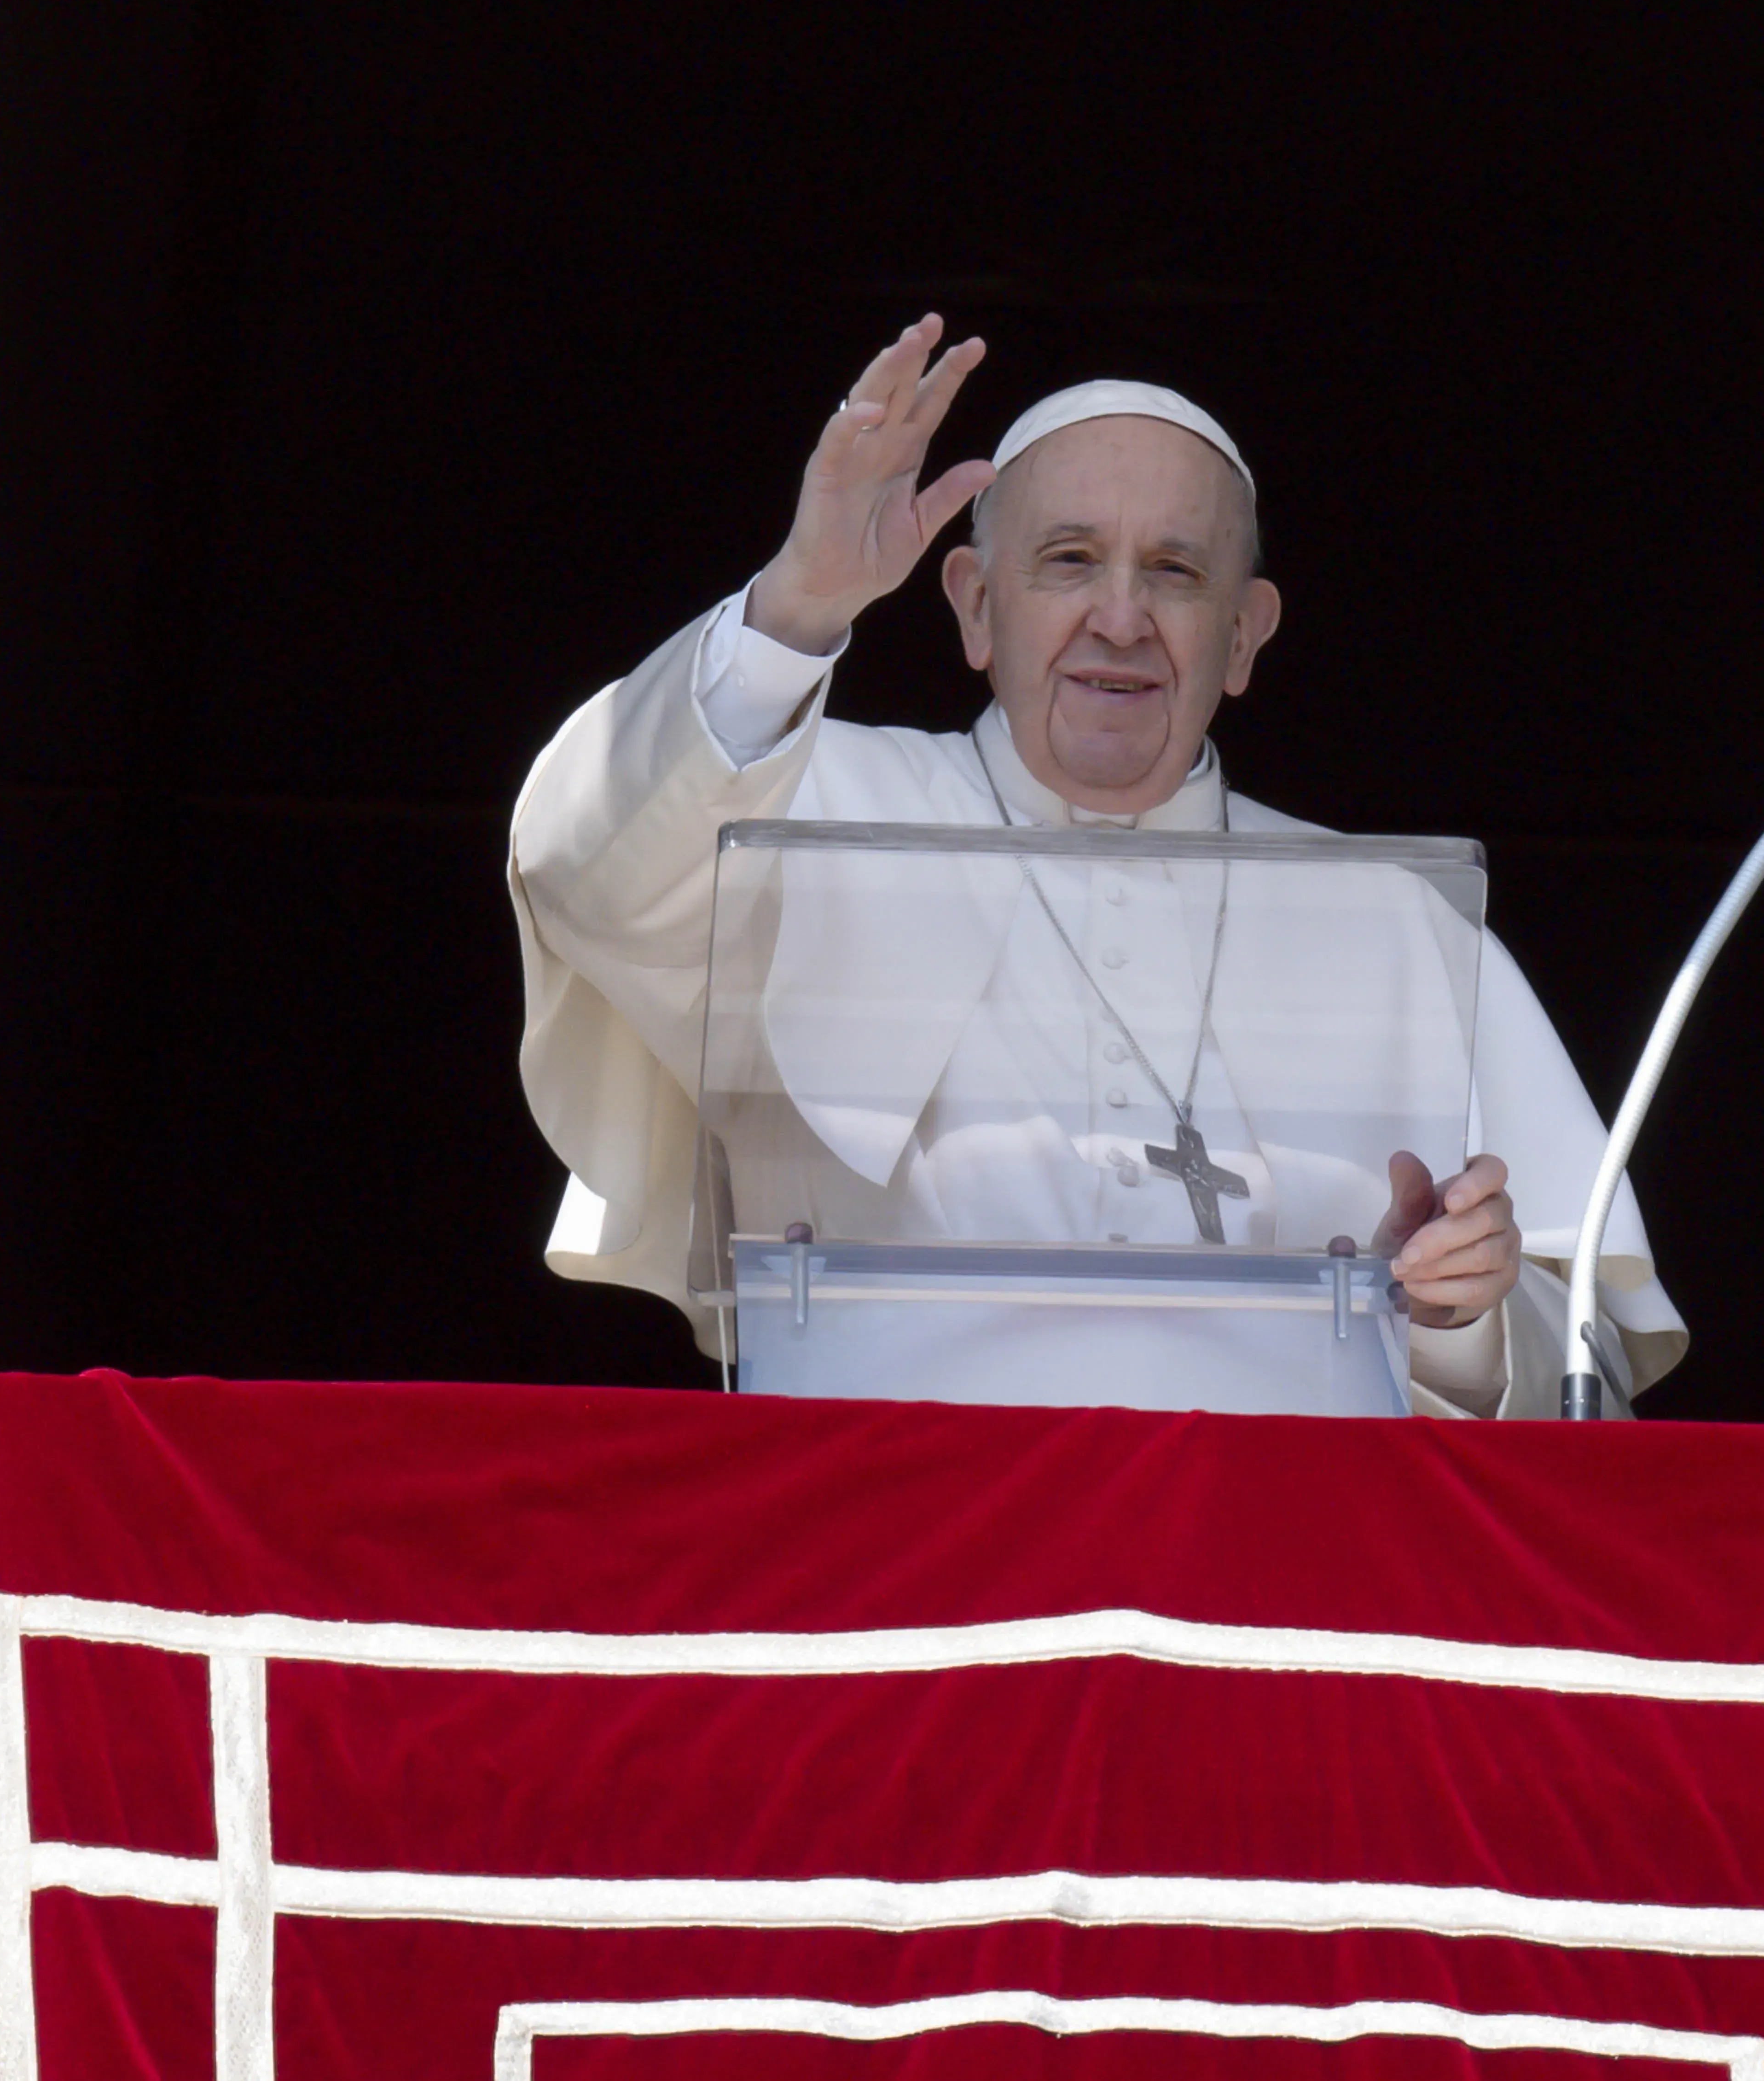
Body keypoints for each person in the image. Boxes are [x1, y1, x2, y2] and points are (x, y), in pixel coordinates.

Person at [510, 319, 1683, 1415]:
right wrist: (800, 608)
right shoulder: (797, 807)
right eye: (1068, 560)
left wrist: (1458, 1321)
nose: (1120, 618)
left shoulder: (1397, 926)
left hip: (1273, 1574)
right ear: (974, 608)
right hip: (895, 1543)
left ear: (1245, 636)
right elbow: (579, 869)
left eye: (1175, 571)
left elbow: (1587, 1375)